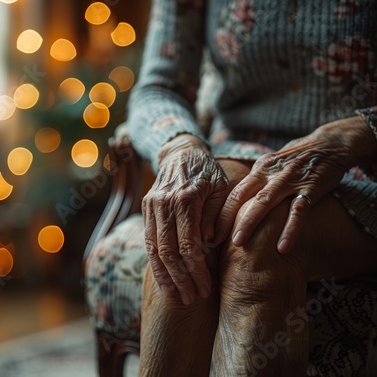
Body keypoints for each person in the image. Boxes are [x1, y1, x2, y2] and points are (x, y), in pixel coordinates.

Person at [86, 0, 377, 375]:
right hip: (240, 155)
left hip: (364, 164)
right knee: (196, 220)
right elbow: (158, 87)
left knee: (260, 238)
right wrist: (179, 145)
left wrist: (357, 132)